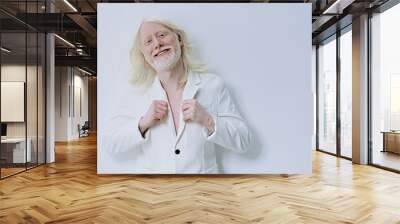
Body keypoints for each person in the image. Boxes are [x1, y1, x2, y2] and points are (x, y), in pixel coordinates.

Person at [103, 19, 253, 174]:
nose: (157, 44)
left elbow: (244, 140)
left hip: (202, 193)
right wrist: (143, 123)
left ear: (179, 39)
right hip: (154, 194)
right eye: (148, 41)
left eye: (161, 35)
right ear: (144, 55)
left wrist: (208, 120)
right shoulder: (136, 93)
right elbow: (111, 143)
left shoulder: (213, 85)